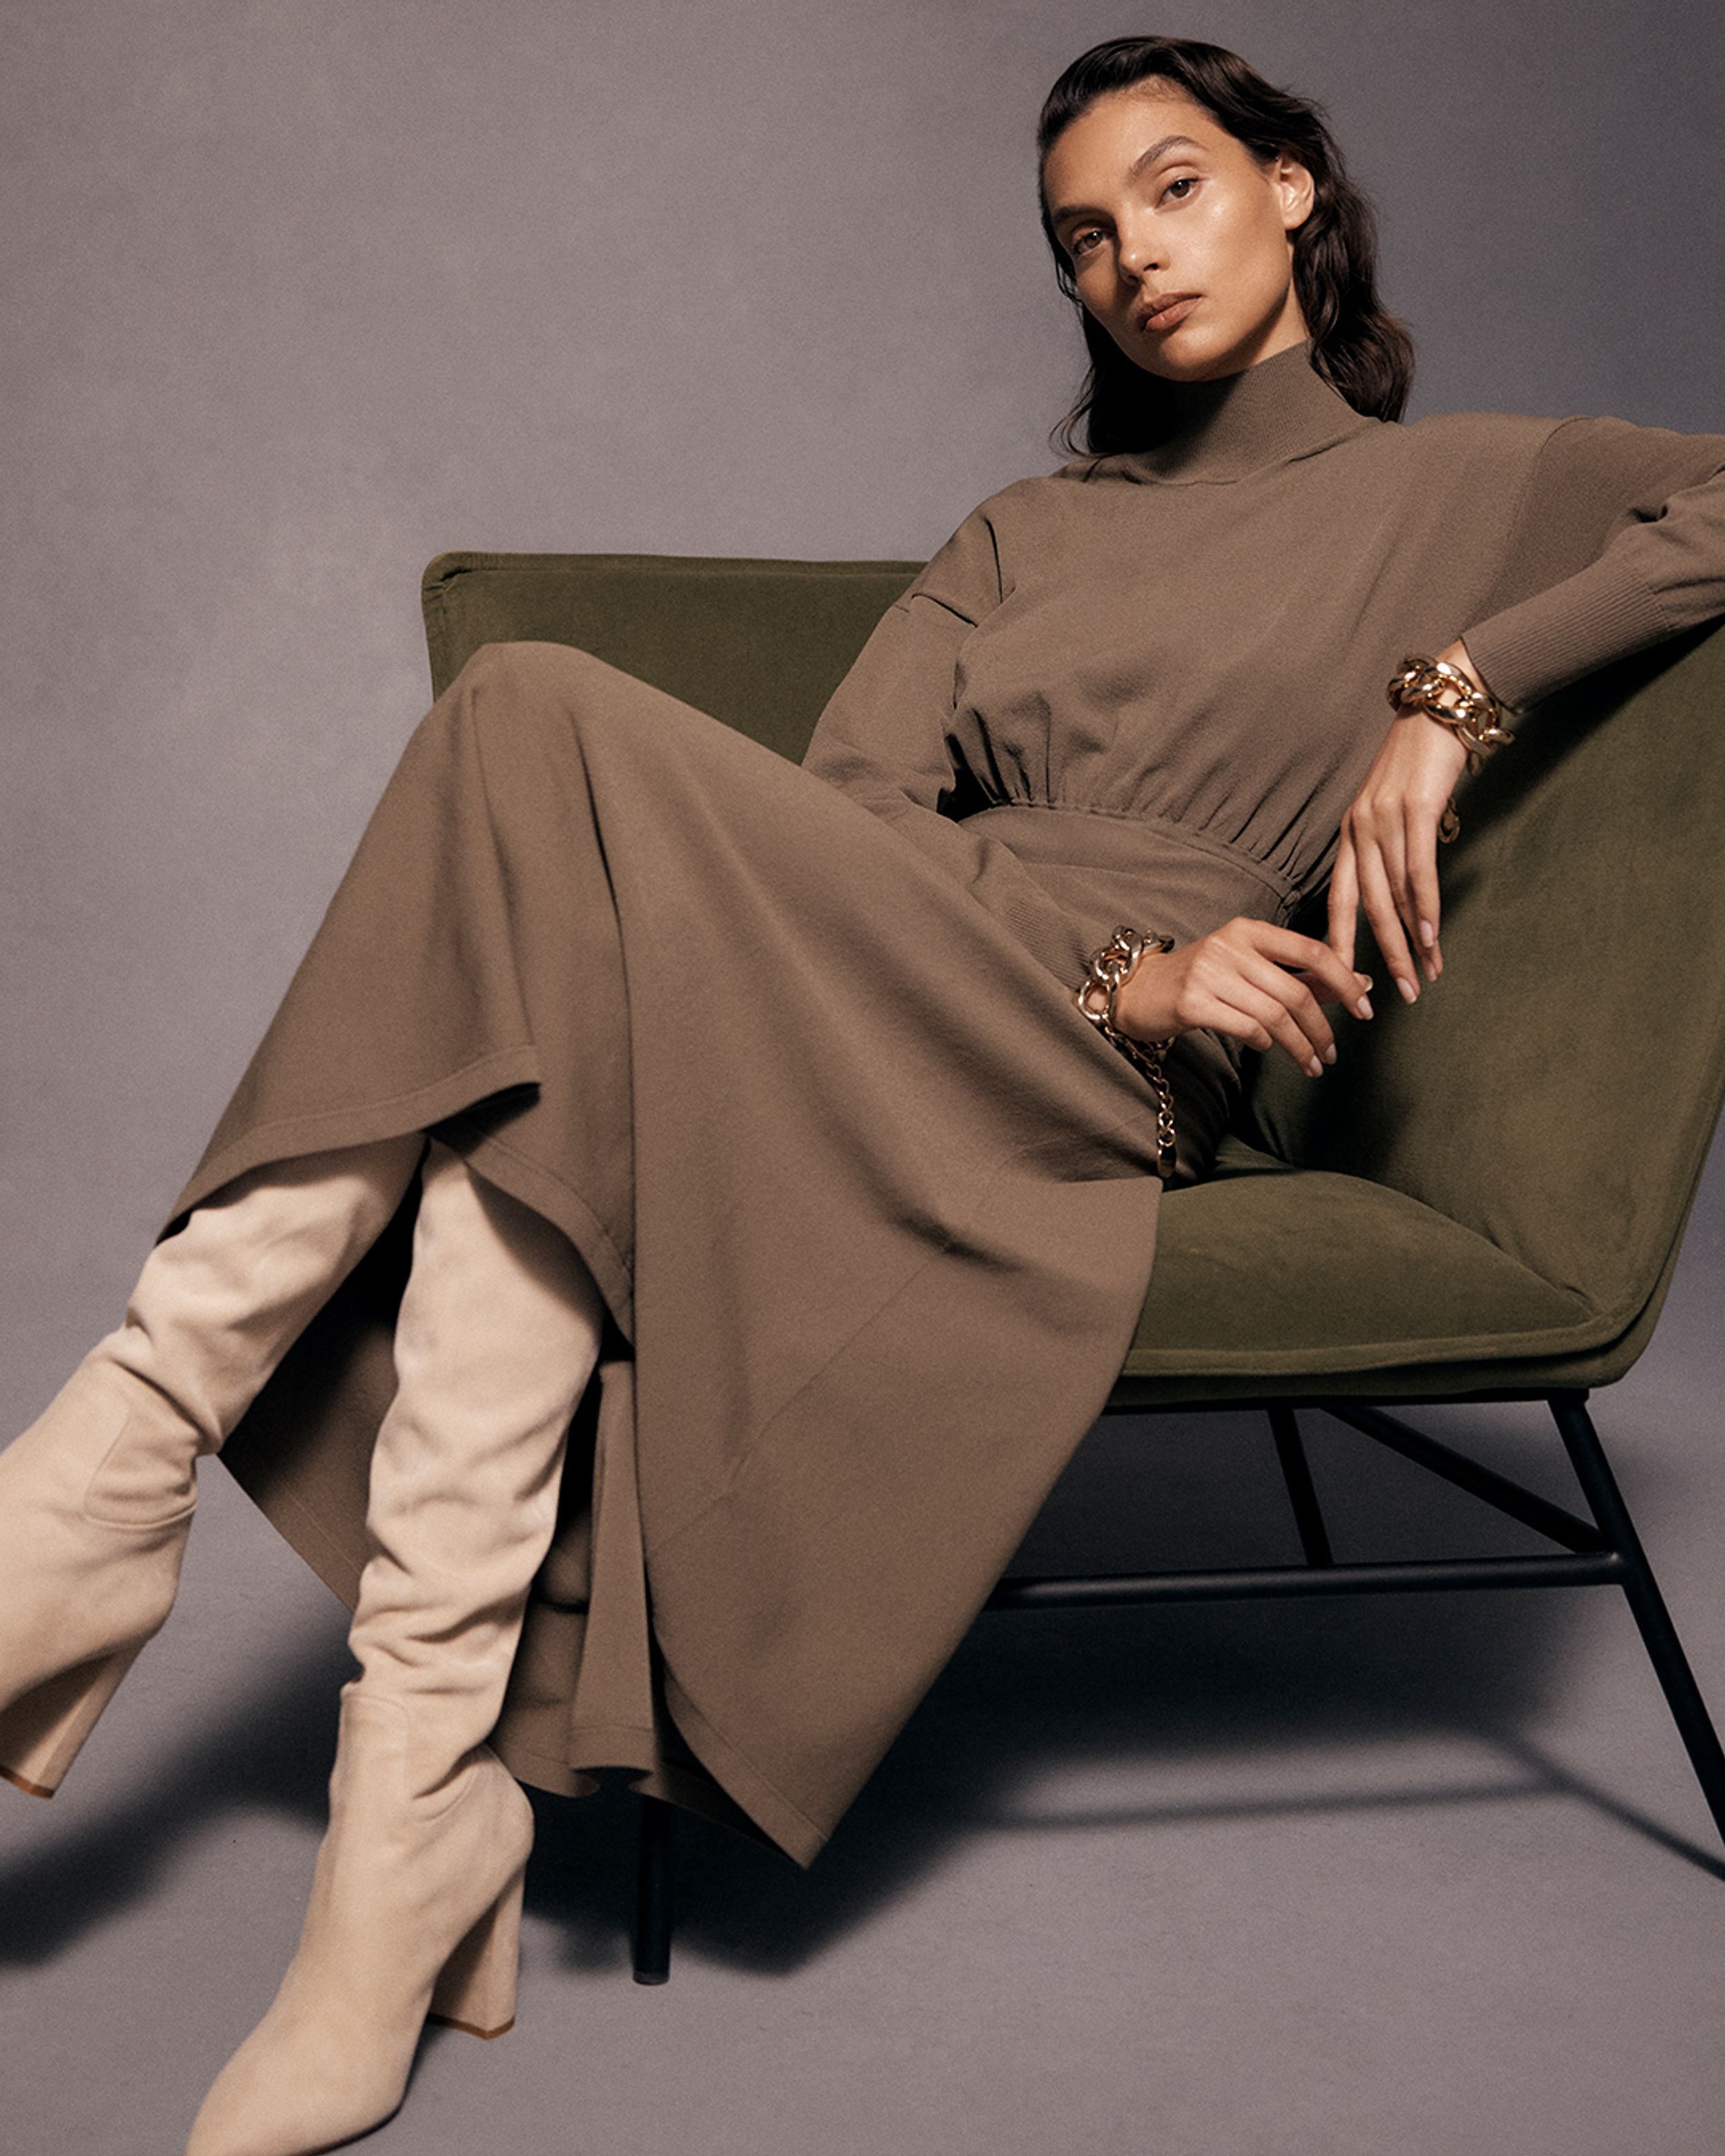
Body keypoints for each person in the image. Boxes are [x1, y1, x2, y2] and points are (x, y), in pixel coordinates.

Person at [4, 30, 1724, 2156]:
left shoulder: (1464, 484)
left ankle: (118, 1470)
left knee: (532, 725)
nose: (1129, 261)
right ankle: (405, 1810)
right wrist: (1089, 945)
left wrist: (1452, 697)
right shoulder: (1019, 529)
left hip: (1104, 1069)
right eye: (1082, 238)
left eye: (1175, 189)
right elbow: (839, 819)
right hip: (924, 973)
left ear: (1291, 187)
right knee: (567, 988)